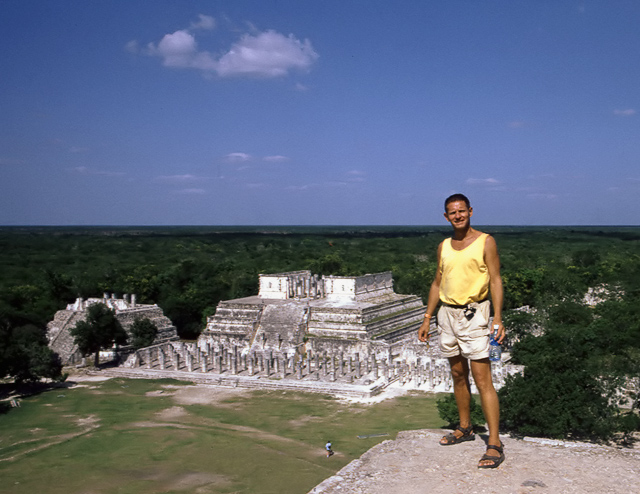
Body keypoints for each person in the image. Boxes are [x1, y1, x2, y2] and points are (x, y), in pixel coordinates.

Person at [418, 193, 506, 469]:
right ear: (446, 216)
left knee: (482, 379)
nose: (457, 216)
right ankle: (465, 427)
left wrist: (498, 318)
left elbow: (495, 280)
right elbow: (437, 282)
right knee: (457, 373)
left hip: (475, 313)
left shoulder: (485, 241)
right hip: (447, 314)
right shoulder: (444, 246)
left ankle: (494, 442)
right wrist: (427, 316)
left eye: (461, 211)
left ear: (470, 211)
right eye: (451, 213)